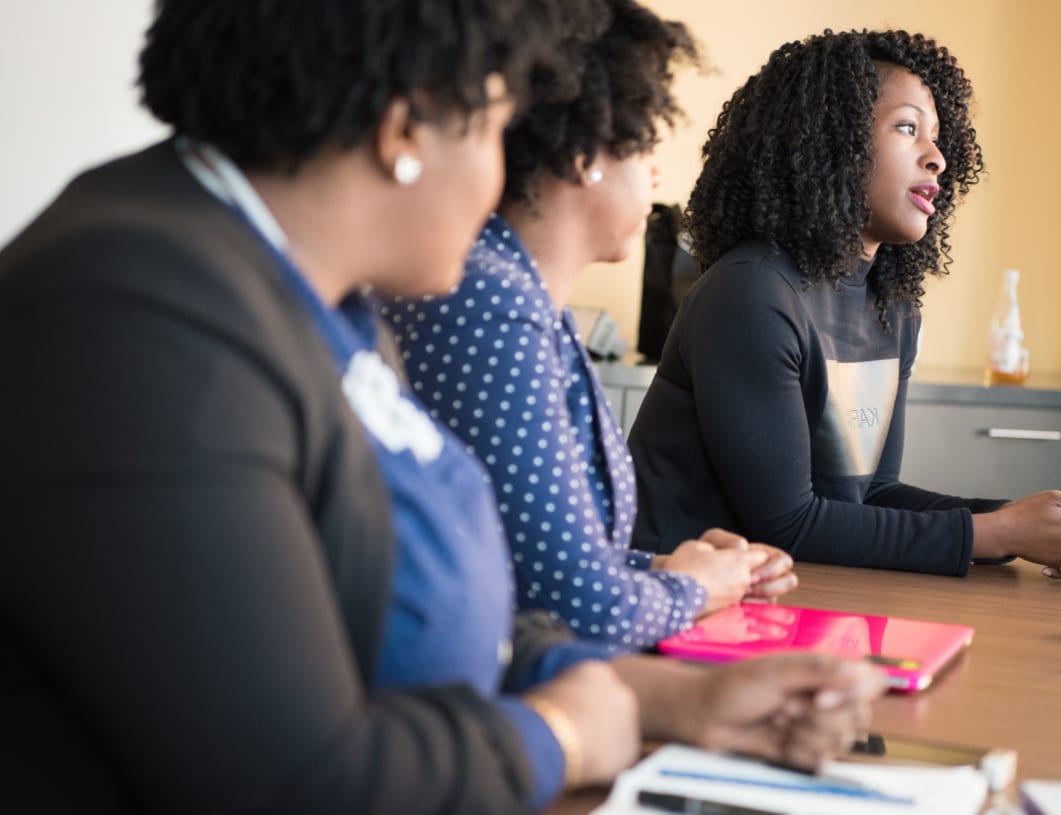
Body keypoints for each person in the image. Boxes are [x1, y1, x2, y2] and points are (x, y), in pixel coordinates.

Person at [0, 4, 881, 814]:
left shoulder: (314, 293)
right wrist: (560, 736)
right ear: (405, 129)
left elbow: (413, 609)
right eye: (499, 128)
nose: (504, 176)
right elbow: (295, 783)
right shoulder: (135, 314)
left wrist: (673, 700)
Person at [626, 29, 1061, 580]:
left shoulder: (893, 305)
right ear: (830, 142)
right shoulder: (751, 293)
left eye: (937, 137)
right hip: (677, 604)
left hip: (794, 588)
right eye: (907, 128)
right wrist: (996, 531)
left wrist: (1026, 524)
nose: (937, 158)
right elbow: (786, 523)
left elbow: (870, 495)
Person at [384, 0, 797, 652]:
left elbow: (537, 563)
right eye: (648, 141)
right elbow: (578, 607)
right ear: (583, 153)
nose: (657, 173)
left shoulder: (521, 296)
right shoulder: (493, 301)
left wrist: (671, 568)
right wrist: (691, 589)